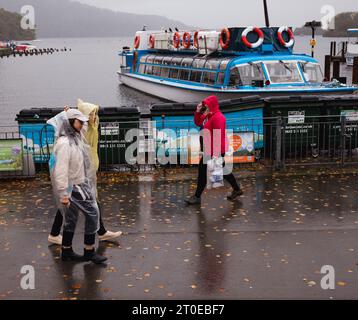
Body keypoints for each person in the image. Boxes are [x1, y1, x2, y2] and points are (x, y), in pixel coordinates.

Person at [48, 99, 122, 245]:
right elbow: (61, 168)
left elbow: (91, 118)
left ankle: (57, 236)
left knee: (70, 208)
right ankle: (99, 235)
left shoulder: (93, 127)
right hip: (78, 176)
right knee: (90, 206)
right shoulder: (81, 131)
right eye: (91, 115)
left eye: (95, 115)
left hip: (87, 173)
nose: (93, 118)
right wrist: (67, 115)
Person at [49, 109, 107, 263]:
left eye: (82, 122)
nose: (82, 125)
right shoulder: (65, 144)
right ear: (70, 123)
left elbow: (87, 127)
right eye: (79, 122)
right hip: (74, 186)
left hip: (78, 183)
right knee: (93, 214)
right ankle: (89, 251)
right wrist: (63, 195)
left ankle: (66, 251)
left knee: (71, 218)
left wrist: (87, 115)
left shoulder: (75, 138)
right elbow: (60, 171)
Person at [186, 95, 243, 205]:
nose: (205, 108)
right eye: (204, 106)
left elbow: (218, 136)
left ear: (212, 105)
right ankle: (237, 189)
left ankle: (197, 197)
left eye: (206, 106)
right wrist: (197, 112)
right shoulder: (208, 115)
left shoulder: (218, 117)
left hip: (215, 150)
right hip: (209, 149)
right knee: (222, 171)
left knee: (204, 172)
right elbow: (198, 123)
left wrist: (215, 154)